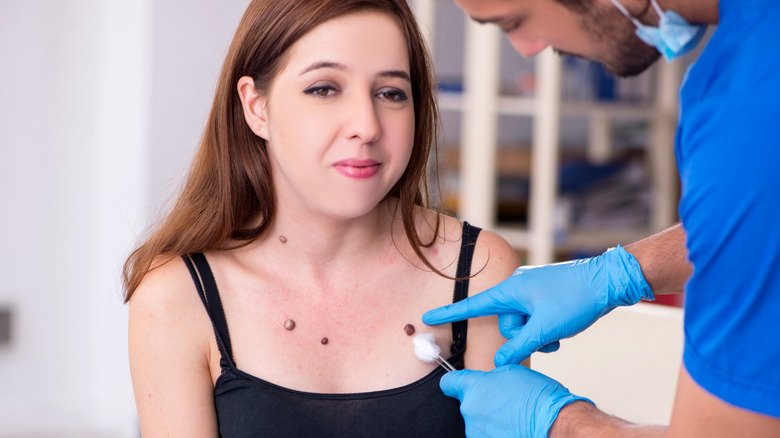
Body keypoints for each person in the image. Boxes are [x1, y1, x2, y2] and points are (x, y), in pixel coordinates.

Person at [122, 0, 521, 436]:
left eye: (391, 93)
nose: (367, 126)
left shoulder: (478, 271)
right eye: (324, 89)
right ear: (256, 107)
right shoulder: (176, 296)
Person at [423, 0, 780, 436]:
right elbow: (761, 229)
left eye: (516, 22)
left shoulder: (749, 105)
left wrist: (565, 425)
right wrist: (623, 272)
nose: (529, 48)